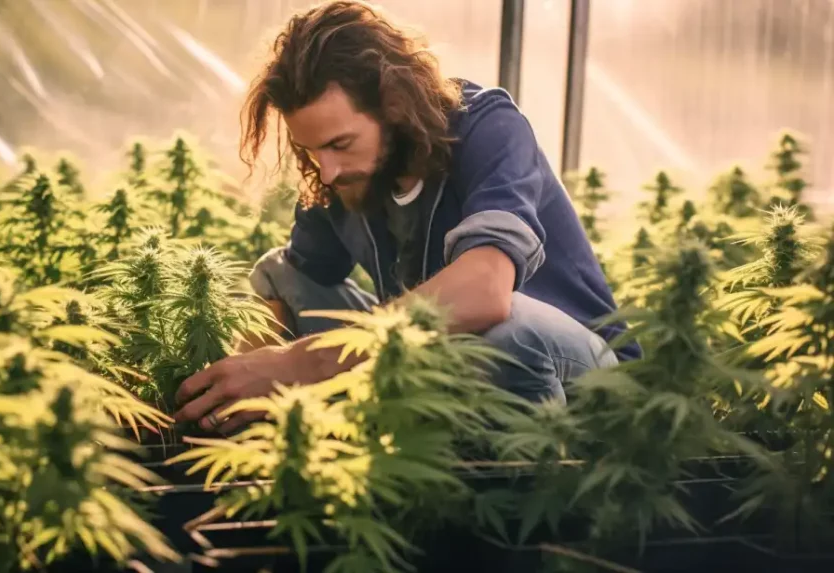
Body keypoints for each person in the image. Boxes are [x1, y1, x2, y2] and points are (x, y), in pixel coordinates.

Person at [172, 0, 640, 435]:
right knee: (278, 273)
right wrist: (250, 377)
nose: (326, 170)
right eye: (312, 151)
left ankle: (529, 488)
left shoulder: (486, 126)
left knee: (498, 327)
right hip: (443, 361)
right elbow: (293, 279)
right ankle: (239, 425)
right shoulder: (342, 177)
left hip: (585, 373)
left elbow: (485, 292)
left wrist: (303, 364)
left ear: (394, 107)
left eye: (340, 144)